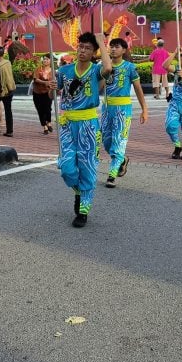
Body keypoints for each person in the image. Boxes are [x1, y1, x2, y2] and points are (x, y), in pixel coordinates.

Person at [51, 32, 112, 227]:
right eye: (80, 47)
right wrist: (52, 85)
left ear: (94, 52)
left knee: (87, 165)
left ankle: (84, 207)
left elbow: (109, 67)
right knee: (66, 166)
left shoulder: (96, 71)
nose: (82, 51)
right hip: (67, 124)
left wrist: (101, 43)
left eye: (87, 48)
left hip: (88, 125)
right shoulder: (65, 70)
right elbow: (59, 89)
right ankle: (78, 190)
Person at [101, 38, 147, 186]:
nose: (113, 49)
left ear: (124, 50)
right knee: (107, 142)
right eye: (111, 47)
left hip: (123, 110)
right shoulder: (102, 66)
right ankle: (123, 159)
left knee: (119, 140)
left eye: (117, 47)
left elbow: (138, 88)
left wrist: (144, 109)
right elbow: (98, 86)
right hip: (107, 108)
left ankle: (112, 174)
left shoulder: (129, 67)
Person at [31, 55, 55, 134]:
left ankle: (49, 122)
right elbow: (35, 79)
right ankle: (44, 126)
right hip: (37, 93)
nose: (45, 61)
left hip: (48, 93)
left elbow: (54, 82)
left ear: (50, 61)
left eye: (47, 59)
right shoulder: (38, 69)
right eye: (44, 59)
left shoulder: (53, 71)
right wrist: (45, 82)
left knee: (48, 109)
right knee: (40, 109)